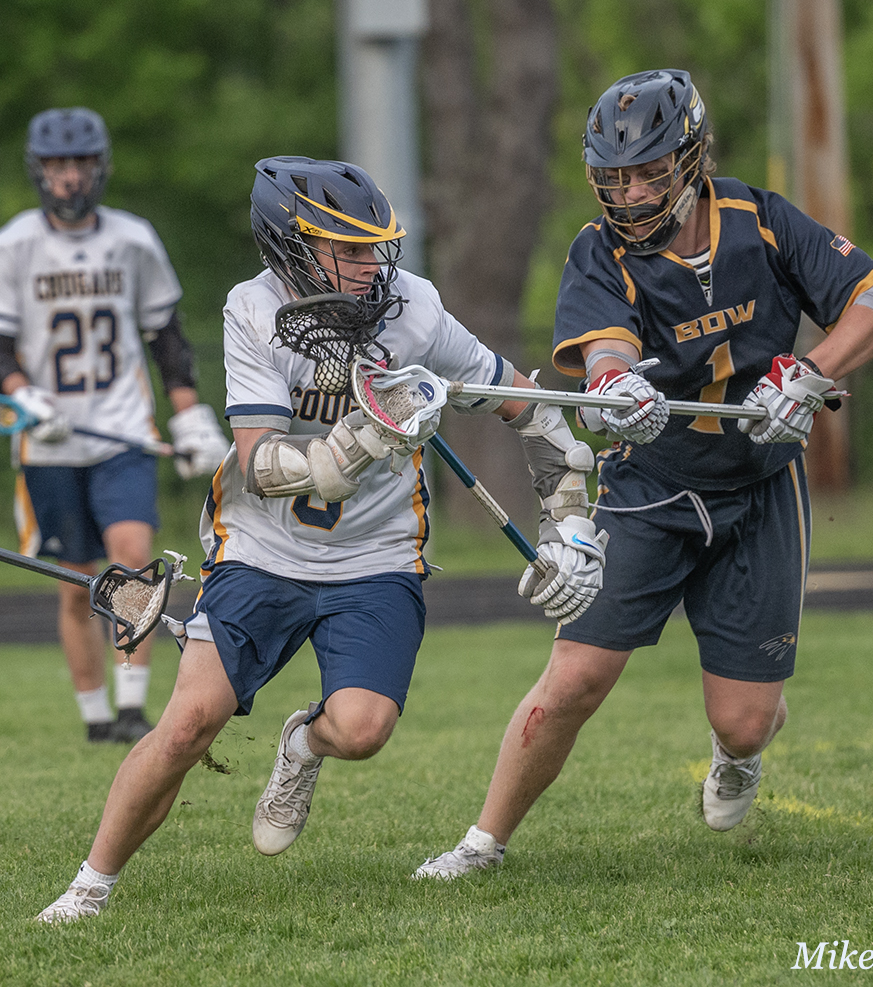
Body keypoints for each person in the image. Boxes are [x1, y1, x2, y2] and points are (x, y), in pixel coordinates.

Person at [34, 155, 608, 922]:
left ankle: (302, 744)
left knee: (364, 730)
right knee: (188, 725)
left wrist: (569, 522)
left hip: (377, 555)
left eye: (377, 246)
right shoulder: (253, 309)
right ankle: (89, 887)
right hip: (261, 550)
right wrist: (359, 441)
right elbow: (260, 464)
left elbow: (527, 406)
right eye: (349, 248)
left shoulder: (415, 308)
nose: (373, 265)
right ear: (291, 246)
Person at [413, 68, 873, 879]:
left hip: (759, 489)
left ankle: (736, 756)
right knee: (574, 677)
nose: (631, 194)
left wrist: (809, 376)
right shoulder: (599, 250)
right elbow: (604, 352)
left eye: (649, 173)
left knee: (747, 722)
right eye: (614, 177)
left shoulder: (760, 220)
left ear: (692, 159)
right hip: (651, 487)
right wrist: (618, 388)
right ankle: (482, 843)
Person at [0, 108, 229, 745]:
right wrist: (25, 398)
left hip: (121, 431)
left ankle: (132, 706)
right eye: (58, 165)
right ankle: (96, 715)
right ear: (39, 170)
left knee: (131, 561)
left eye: (80, 164)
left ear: (99, 168)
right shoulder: (15, 243)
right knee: (76, 584)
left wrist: (188, 415)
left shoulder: (132, 239)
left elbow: (167, 338)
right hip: (49, 441)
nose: (70, 178)